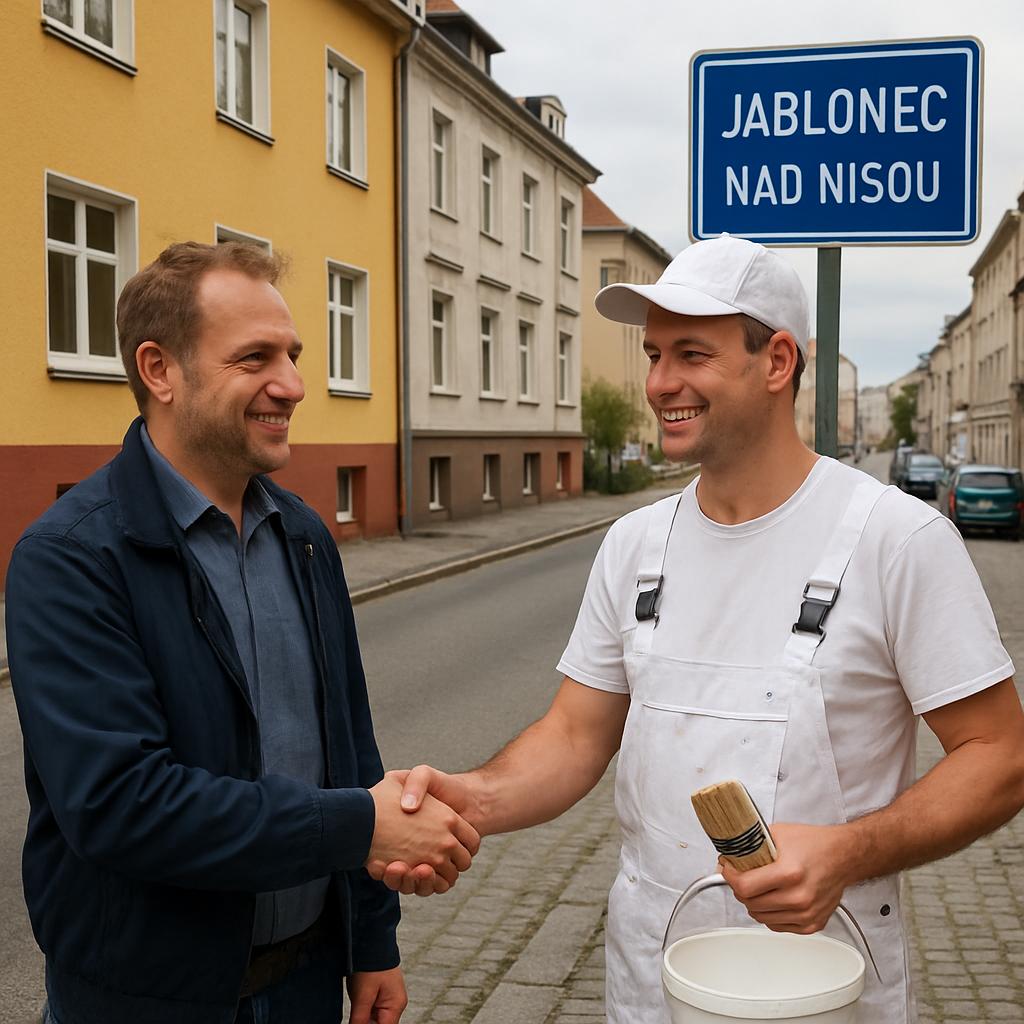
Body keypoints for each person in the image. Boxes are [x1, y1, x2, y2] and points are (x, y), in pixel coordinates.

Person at [371, 235, 1024, 1022]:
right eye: (652, 355)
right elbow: (577, 736)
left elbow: (999, 757)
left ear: (777, 361)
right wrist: (467, 799)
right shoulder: (635, 544)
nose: (658, 383)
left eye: (690, 354)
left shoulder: (897, 540)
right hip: (654, 982)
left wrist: (849, 851)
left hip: (822, 985)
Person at [6, 242, 479, 1024]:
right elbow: (122, 805)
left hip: (304, 986)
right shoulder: (72, 557)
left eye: (292, 355)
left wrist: (371, 942)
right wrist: (366, 825)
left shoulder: (302, 535)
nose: (292, 385)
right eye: (254, 357)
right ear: (159, 370)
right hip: (142, 1003)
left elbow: (347, 750)